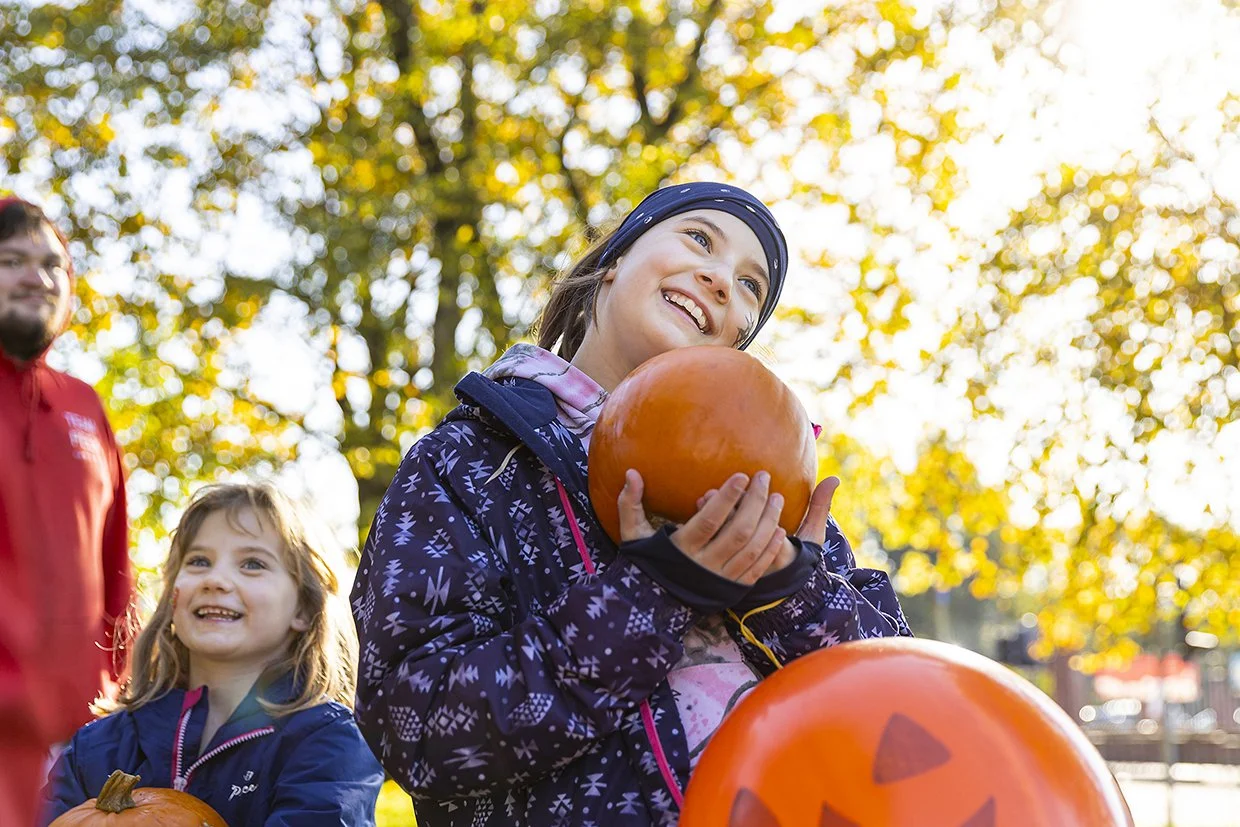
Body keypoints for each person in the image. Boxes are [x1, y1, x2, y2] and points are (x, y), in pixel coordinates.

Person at [351, 181, 911, 826]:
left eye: (751, 286)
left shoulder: (774, 494)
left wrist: (787, 590)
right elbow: (416, 726)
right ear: (611, 260)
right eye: (700, 239)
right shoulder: (472, 462)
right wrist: (648, 595)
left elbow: (903, 709)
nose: (723, 280)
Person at [41, 483, 385, 826]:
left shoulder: (329, 742)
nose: (215, 580)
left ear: (305, 608)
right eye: (199, 561)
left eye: (252, 564)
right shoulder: (100, 744)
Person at [0, 197, 133, 826]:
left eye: (54, 265)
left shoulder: (86, 407)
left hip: (76, 745)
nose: (38, 277)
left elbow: (117, 569)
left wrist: (121, 694)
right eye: (12, 261)